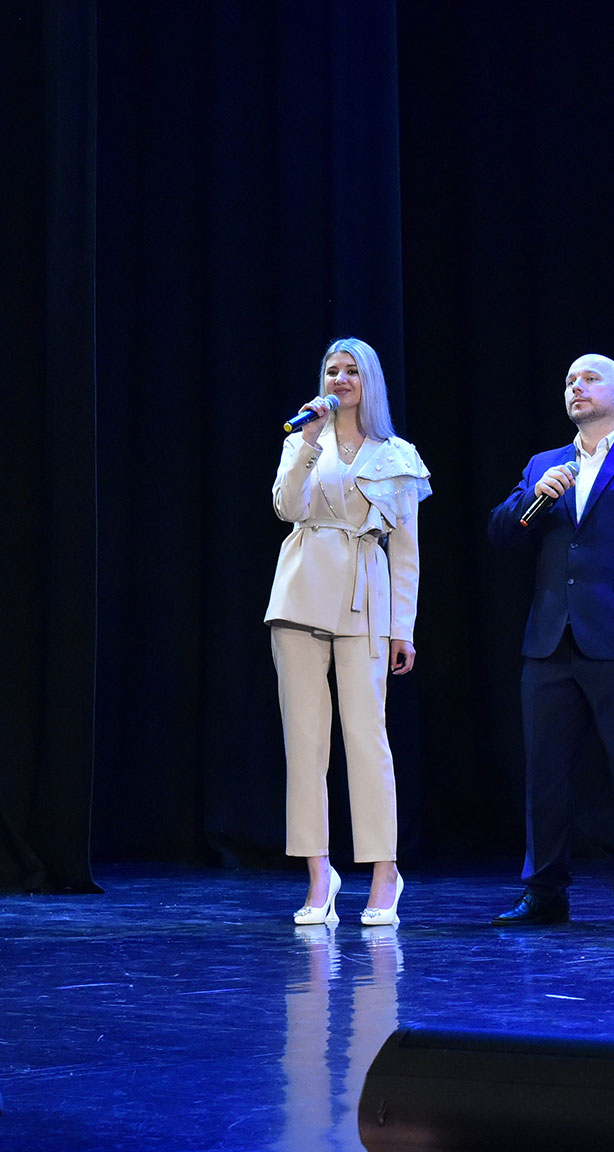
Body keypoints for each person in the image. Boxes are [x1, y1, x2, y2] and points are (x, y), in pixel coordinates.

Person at [487, 353, 614, 927]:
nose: (576, 387)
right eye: (569, 381)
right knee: (545, 775)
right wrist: (534, 500)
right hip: (550, 641)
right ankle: (544, 891)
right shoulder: (545, 465)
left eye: (589, 379)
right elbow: (502, 534)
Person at [266, 337, 431, 928]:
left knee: (367, 737)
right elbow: (286, 508)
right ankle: (319, 873)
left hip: (366, 596)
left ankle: (385, 871)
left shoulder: (397, 455)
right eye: (331, 370)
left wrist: (402, 628)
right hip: (302, 589)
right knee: (304, 741)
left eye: (351, 371)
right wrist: (308, 441)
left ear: (370, 381)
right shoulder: (302, 441)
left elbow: (406, 552)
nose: (339, 379)